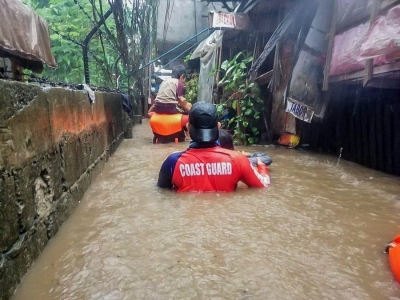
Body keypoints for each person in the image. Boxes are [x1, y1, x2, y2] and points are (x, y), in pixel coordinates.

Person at [157, 101, 270, 192]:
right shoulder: (238, 160)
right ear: (219, 126)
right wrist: (262, 168)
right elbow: (263, 185)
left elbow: (163, 194)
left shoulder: (172, 162)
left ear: (188, 128)